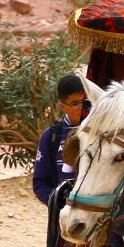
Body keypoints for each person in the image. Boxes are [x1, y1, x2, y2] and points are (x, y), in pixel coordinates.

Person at [33, 74, 91, 204]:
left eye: (85, 102)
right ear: (62, 106)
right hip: (64, 217)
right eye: (75, 103)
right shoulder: (52, 136)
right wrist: (57, 204)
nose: (82, 108)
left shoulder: (99, 132)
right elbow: (40, 183)